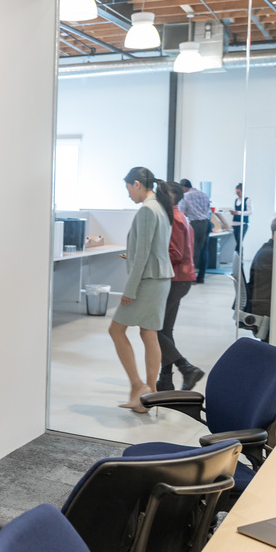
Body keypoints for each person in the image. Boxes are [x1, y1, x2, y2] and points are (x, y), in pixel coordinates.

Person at [108, 167, 174, 413]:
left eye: (128, 188)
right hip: (158, 278)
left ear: (137, 184)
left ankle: (138, 387)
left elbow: (144, 253)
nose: (128, 195)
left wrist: (130, 289)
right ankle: (150, 394)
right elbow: (150, 249)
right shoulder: (159, 207)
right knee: (149, 334)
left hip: (147, 281)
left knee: (116, 330)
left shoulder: (147, 209)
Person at [156, 182, 205, 391]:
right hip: (180, 279)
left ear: (171, 196)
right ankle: (166, 379)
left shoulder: (174, 219)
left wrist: (149, 256)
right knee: (165, 330)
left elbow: (175, 254)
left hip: (177, 279)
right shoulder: (180, 216)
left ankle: (186, 367)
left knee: (153, 329)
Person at [177, 178, 212, 284]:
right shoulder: (204, 195)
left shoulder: (185, 196)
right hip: (206, 223)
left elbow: (181, 212)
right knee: (204, 251)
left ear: (184, 187)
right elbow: (208, 210)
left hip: (195, 224)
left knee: (193, 251)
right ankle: (201, 277)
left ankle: (191, 277)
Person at [230, 183, 250, 249]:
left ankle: (240, 258)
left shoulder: (247, 200)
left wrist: (238, 212)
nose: (238, 194)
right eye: (236, 193)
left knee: (239, 242)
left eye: (239, 193)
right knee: (237, 242)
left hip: (243, 223)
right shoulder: (236, 200)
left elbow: (250, 212)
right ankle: (238, 257)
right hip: (235, 223)